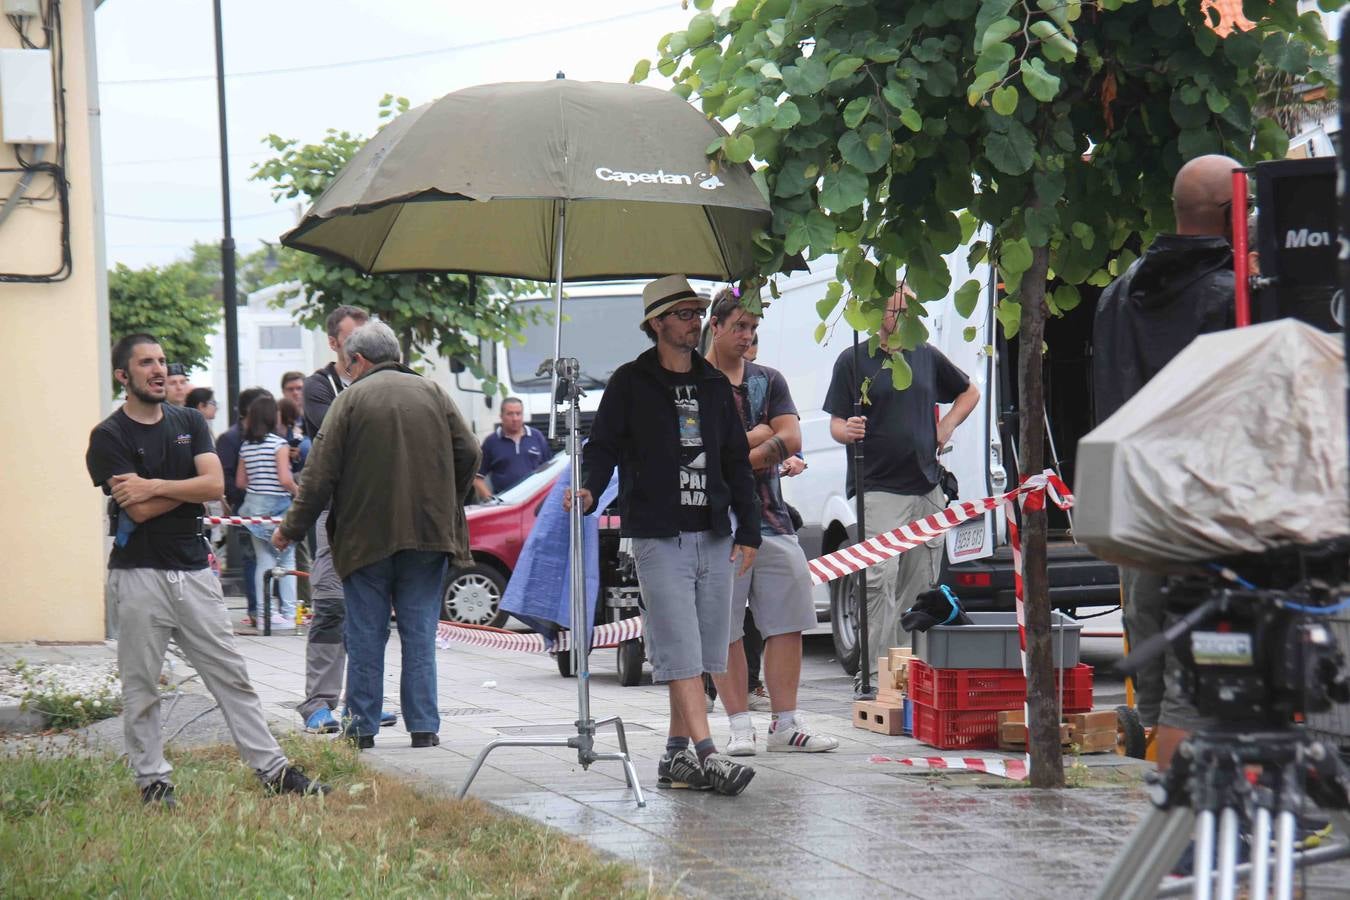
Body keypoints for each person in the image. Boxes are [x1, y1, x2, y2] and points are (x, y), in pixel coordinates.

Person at [86, 333, 327, 807]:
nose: (158, 370)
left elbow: (215, 484)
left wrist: (153, 484)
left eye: (161, 361)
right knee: (141, 685)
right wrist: (184, 489)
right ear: (123, 376)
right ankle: (153, 782)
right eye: (145, 363)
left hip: (194, 573)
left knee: (231, 675)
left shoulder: (190, 420)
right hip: (138, 576)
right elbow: (135, 512)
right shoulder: (108, 437)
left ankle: (274, 772)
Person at [566, 274, 761, 796]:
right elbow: (602, 446)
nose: (695, 323)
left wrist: (750, 530)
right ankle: (706, 754)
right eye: (684, 315)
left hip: (714, 532)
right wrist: (588, 490)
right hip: (657, 534)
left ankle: (675, 756)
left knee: (703, 649)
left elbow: (737, 461)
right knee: (678, 646)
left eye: (697, 314)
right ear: (656, 324)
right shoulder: (630, 382)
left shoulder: (715, 384)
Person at [1092, 153, 1239, 770]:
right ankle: (1205, 793)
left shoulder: (1117, 296)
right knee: (1216, 656)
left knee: (1153, 630)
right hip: (1214, 504)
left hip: (1140, 502)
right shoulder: (1237, 296)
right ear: (1234, 213)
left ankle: (1161, 755)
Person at [274, 321, 479, 750]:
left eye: (348, 364)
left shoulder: (349, 400)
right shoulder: (435, 393)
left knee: (366, 633)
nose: (346, 371)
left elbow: (318, 475)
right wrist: (446, 498)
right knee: (420, 632)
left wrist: (290, 529)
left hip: (365, 537)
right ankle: (424, 727)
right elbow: (471, 452)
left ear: (359, 360)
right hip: (428, 533)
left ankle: (362, 728)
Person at [824, 285, 981, 686]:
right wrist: (849, 430)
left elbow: (970, 391)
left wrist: (945, 426)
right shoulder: (854, 359)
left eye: (910, 310)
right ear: (878, 314)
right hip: (879, 486)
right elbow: (836, 424)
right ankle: (875, 673)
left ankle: (906, 672)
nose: (905, 317)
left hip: (925, 484)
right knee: (879, 579)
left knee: (919, 582)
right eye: (898, 310)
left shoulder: (924, 353)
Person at [704, 288, 838, 755]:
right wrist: (759, 440)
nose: (747, 336)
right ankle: (739, 723)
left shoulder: (769, 379)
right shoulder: (695, 382)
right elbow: (701, 458)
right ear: (715, 325)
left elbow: (792, 437)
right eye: (739, 326)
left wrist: (738, 450)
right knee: (725, 626)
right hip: (715, 526)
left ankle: (786, 723)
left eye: (753, 329)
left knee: (789, 620)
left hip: (772, 520)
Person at [294, 305, 386, 735]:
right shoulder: (319, 386)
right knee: (331, 607)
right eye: (353, 341)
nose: (361, 349)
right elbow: (335, 431)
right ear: (334, 343)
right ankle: (319, 702)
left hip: (375, 510)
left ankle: (361, 701)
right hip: (334, 511)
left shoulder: (379, 380)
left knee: (369, 611)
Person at [236, 392, 298, 630]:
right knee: (288, 559)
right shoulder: (279, 445)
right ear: (273, 417)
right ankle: (289, 614)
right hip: (278, 508)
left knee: (263, 560)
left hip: (253, 508)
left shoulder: (246, 446)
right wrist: (298, 491)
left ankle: (263, 615)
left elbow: (241, 482)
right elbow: (284, 479)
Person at [215, 386, 271, 628]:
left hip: (273, 509)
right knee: (252, 559)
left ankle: (270, 608)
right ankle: (256, 609)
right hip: (246, 510)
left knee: (271, 559)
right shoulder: (230, 439)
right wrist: (248, 494)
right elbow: (226, 478)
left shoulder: (272, 435)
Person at [474, 397, 551, 499]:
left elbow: (550, 471)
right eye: (510, 414)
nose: (515, 418)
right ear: (501, 416)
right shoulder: (491, 442)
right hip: (506, 505)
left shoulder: (536, 437)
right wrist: (490, 501)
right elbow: (477, 477)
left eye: (518, 413)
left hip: (534, 502)